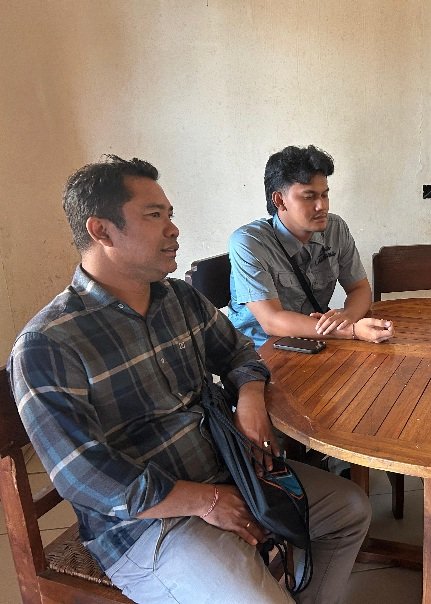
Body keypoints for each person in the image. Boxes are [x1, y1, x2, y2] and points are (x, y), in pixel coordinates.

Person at [8, 155, 370, 604]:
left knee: (350, 510)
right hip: (147, 525)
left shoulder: (178, 297)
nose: (173, 229)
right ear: (101, 230)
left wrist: (250, 399)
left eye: (170, 215)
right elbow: (83, 477)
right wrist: (205, 500)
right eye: (154, 216)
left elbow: (239, 352)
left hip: (228, 471)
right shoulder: (49, 343)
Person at [228, 145, 393, 348]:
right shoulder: (249, 242)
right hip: (261, 351)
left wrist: (347, 318)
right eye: (309, 197)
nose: (322, 206)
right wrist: (350, 331)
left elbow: (359, 288)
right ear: (280, 200)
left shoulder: (335, 228)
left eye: (324, 195)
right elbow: (272, 320)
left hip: (317, 341)